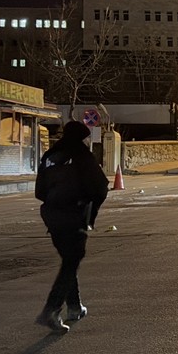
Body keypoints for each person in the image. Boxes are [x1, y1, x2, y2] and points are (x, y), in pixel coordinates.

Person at [34, 120, 109, 334]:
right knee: (71, 261)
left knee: (69, 259)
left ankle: (75, 307)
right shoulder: (81, 156)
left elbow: (39, 192)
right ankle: (52, 309)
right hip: (74, 214)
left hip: (51, 215)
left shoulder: (49, 156)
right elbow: (101, 187)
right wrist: (90, 210)